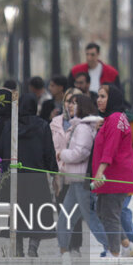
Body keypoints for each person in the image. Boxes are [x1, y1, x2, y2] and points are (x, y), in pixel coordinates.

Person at [0, 93, 58, 256]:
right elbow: (48, 152)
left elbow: (1, 150)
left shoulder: (10, 125)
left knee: (17, 214)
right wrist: (53, 174)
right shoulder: (42, 125)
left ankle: (18, 248)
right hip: (36, 178)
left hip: (16, 178)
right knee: (37, 214)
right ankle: (33, 248)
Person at [91, 84, 133, 257]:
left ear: (112, 99)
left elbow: (110, 149)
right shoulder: (112, 118)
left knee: (110, 215)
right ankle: (126, 246)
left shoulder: (115, 119)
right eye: (98, 96)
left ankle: (115, 255)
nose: (99, 100)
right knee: (102, 212)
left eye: (103, 96)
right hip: (110, 175)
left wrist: (99, 173)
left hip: (116, 176)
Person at [55, 92, 102, 254]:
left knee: (91, 218)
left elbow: (81, 152)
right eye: (70, 103)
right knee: (66, 218)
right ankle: (63, 252)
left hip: (80, 179)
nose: (70, 106)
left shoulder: (82, 127)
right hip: (75, 179)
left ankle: (114, 246)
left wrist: (62, 154)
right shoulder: (82, 126)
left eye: (74, 103)